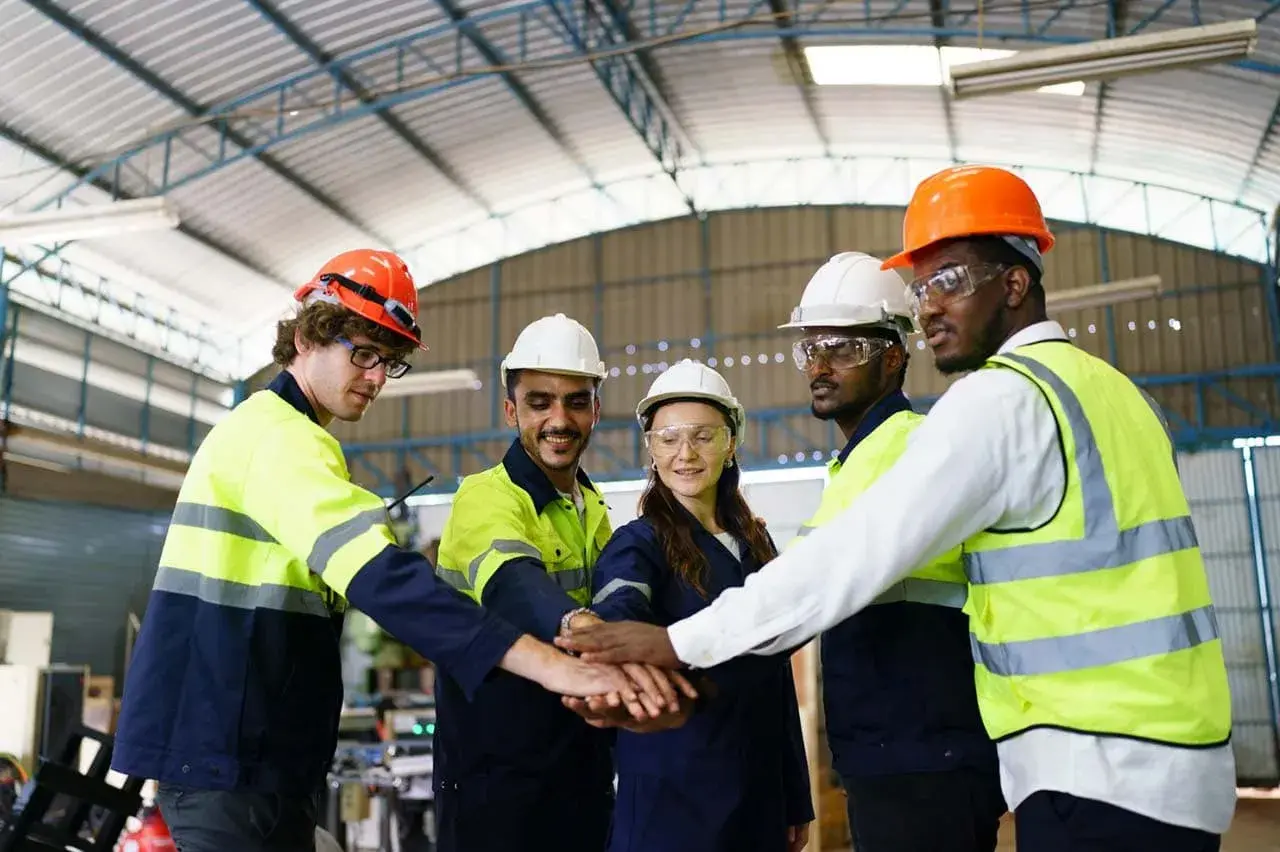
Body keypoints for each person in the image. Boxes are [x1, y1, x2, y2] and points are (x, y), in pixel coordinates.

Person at [559, 166, 1237, 852]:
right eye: (921, 287)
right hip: (1174, 756)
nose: (929, 307)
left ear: (1015, 284)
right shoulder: (1112, 391)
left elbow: (837, 567)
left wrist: (676, 643)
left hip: (1092, 761)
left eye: (950, 281)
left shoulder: (999, 403)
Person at [111, 251, 652, 852]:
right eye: (362, 354)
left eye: (387, 363)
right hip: (224, 752)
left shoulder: (294, 438)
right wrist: (555, 662)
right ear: (308, 336)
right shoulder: (276, 438)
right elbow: (385, 581)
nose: (374, 377)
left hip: (252, 753)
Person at [431, 313, 695, 852]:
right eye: (539, 402)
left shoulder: (591, 507)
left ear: (596, 410)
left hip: (580, 765)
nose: (560, 419)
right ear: (511, 410)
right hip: (497, 781)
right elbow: (512, 583)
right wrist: (585, 626)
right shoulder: (486, 495)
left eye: (576, 401)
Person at [777, 252, 1004, 851]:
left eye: (843, 349)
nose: (820, 366)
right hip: (902, 753)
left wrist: (675, 649)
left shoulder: (905, 449)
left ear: (895, 356)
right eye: (811, 350)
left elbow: (799, 586)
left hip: (923, 759)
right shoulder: (863, 457)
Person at [569, 359, 814, 852]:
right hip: (672, 797)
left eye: (702, 436)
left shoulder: (755, 542)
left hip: (757, 794)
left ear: (731, 443)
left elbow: (777, 677)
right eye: (668, 438)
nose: (685, 454)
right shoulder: (637, 546)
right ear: (651, 451)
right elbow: (619, 626)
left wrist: (794, 795)